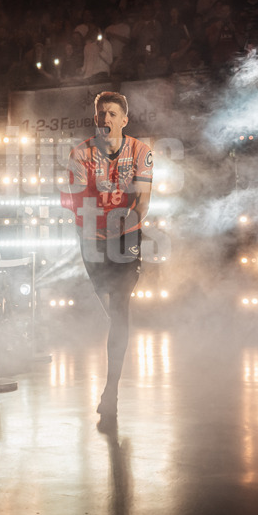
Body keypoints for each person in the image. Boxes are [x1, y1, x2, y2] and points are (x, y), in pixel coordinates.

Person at [63, 91, 153, 419]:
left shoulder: (141, 152)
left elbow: (143, 202)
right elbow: (76, 203)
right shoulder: (80, 153)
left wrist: (123, 226)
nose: (106, 119)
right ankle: (109, 374)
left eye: (113, 114)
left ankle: (110, 388)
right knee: (106, 309)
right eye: (102, 113)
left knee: (121, 307)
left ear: (124, 120)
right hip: (92, 238)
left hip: (126, 236)